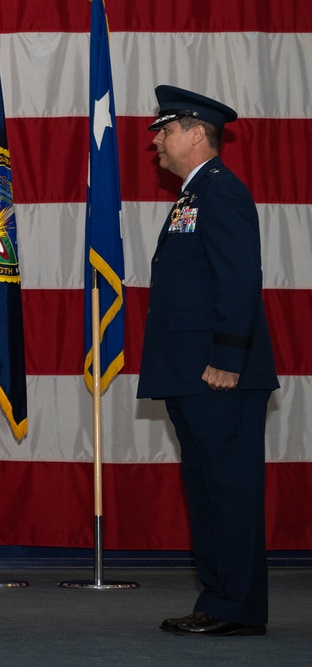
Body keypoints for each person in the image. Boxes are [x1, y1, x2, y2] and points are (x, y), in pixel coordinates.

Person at [138, 85, 279, 637]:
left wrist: (227, 357)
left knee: (229, 490)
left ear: (198, 133)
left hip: (219, 372)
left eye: (166, 129)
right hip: (191, 371)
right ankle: (219, 599)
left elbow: (239, 278)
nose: (157, 140)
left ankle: (237, 608)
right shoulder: (194, 196)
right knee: (207, 487)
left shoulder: (220, 192)